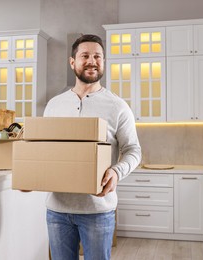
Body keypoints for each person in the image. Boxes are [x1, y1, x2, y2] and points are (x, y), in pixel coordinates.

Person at [43, 34, 142, 260]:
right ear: (72, 62)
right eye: (85, 55)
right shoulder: (54, 105)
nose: (92, 61)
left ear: (104, 62)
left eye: (97, 56)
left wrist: (117, 172)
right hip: (57, 209)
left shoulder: (117, 106)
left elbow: (134, 150)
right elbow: (44, 151)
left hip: (98, 210)